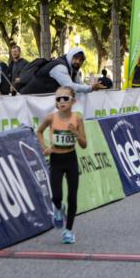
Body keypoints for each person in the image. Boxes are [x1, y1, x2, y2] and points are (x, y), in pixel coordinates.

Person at [36, 86, 87, 244]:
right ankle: (58, 210)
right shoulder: (50, 118)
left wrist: (76, 133)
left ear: (73, 101)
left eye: (65, 98)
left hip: (71, 159)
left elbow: (84, 144)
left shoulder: (77, 119)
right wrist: (44, 147)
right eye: (58, 99)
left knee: (72, 197)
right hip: (56, 159)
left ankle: (68, 231)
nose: (61, 101)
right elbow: (39, 131)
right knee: (56, 196)